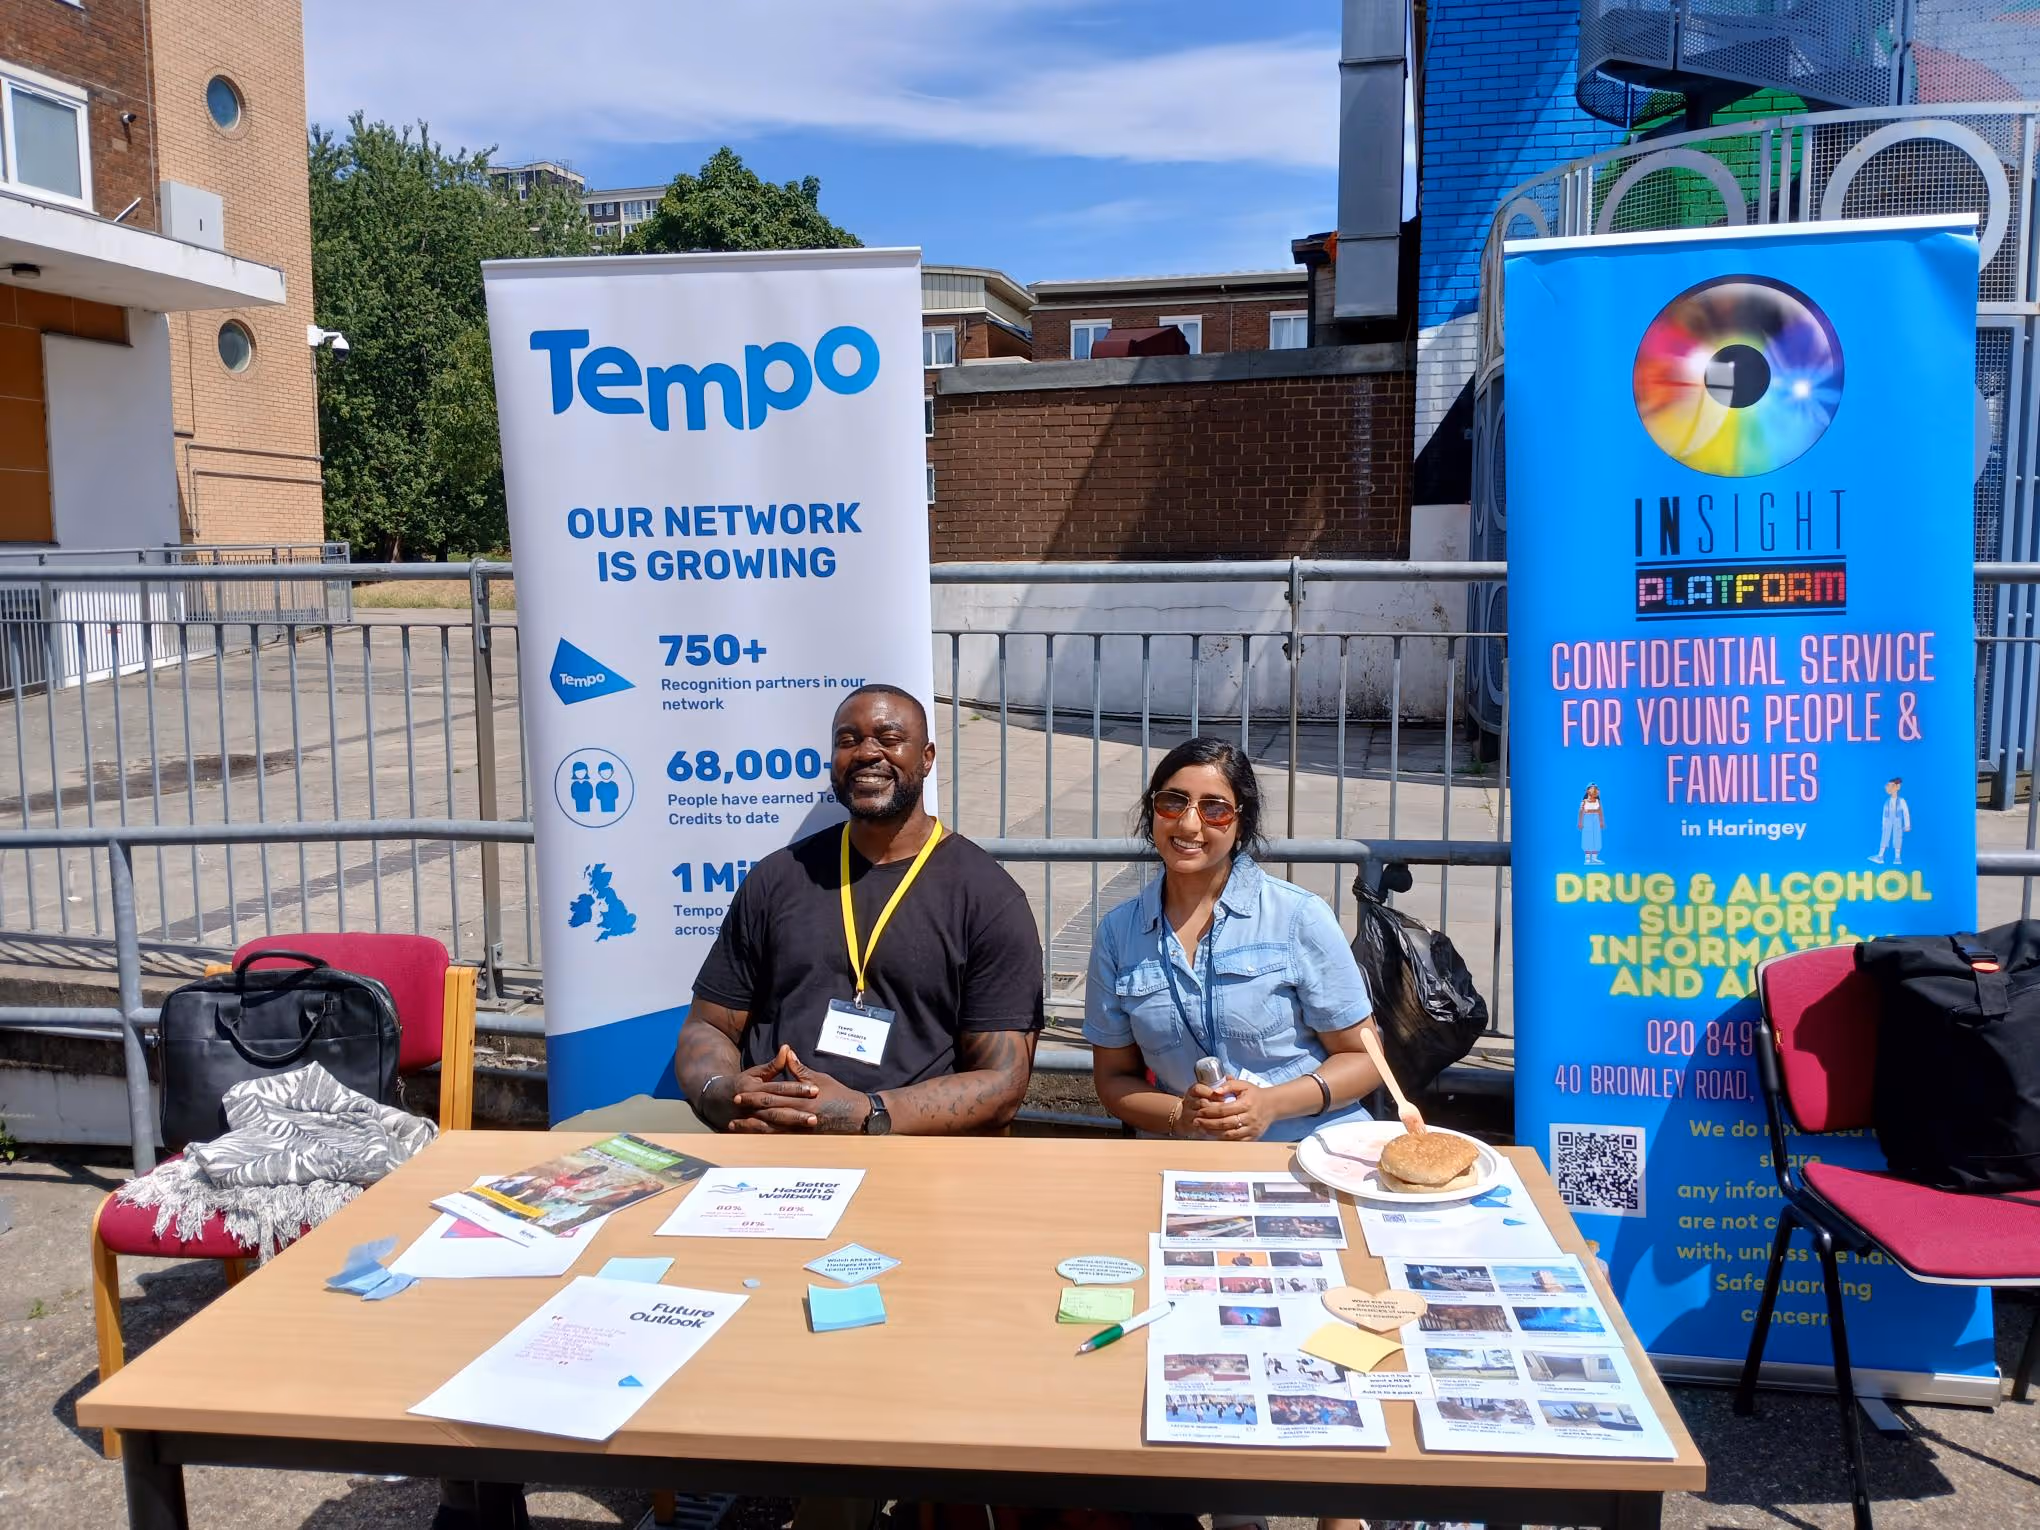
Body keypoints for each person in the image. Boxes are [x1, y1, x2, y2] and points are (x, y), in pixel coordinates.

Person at [673, 683, 1045, 1134]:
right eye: (848, 740)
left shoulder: (987, 898)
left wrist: (868, 1114)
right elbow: (707, 1026)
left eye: (889, 739)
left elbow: (1002, 1083)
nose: (867, 753)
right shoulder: (779, 877)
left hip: (909, 1157)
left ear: (926, 758)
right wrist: (722, 1093)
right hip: (769, 1145)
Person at [1085, 736, 1384, 1142]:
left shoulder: (1297, 917)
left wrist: (1271, 1103)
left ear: (1241, 823)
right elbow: (1114, 1078)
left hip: (1308, 1147)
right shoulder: (1118, 934)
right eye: (1173, 801)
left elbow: (1365, 1060)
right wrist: (1180, 1115)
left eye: (1215, 810)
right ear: (1152, 810)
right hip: (1188, 1163)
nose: (1189, 824)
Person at [1578, 783, 1605, 865]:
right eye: (1592, 788)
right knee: (1587, 838)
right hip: (1587, 821)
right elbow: (1581, 812)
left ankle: (1594, 858)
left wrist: (1601, 822)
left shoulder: (1598, 801)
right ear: (1587, 790)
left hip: (1595, 821)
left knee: (1596, 838)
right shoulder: (1584, 802)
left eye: (1596, 789)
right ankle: (1587, 858)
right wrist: (1580, 822)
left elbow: (1600, 811)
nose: (1594, 790)